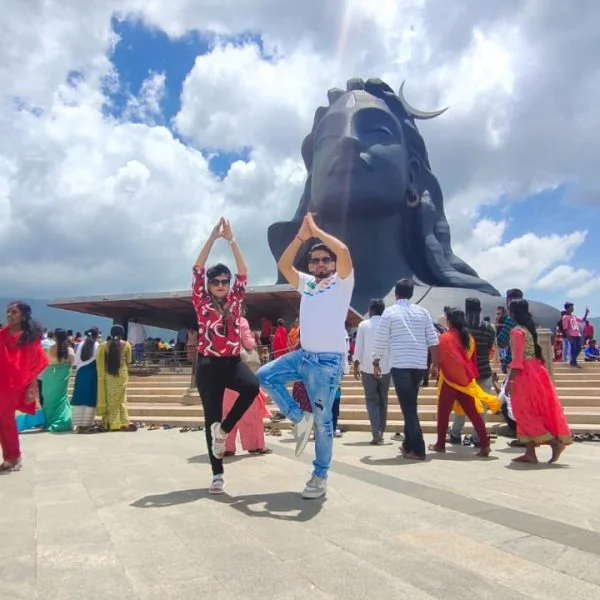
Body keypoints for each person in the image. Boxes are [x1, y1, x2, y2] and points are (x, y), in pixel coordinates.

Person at [257, 213, 354, 499]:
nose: (321, 264)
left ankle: (319, 476)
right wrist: (301, 237)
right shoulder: (308, 284)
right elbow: (283, 265)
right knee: (265, 375)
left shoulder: (343, 282)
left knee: (324, 424)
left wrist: (317, 232)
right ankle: (299, 418)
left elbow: (344, 251)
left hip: (327, 362)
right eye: (315, 261)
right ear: (310, 265)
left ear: (332, 264)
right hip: (303, 355)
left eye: (325, 260)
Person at [192, 217, 260, 494]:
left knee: (252, 387)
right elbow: (197, 268)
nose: (221, 285)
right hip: (208, 365)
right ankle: (217, 474)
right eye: (216, 281)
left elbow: (244, 272)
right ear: (208, 284)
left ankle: (225, 430)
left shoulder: (235, 300)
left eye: (224, 281)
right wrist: (212, 238)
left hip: (232, 363)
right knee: (211, 417)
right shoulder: (201, 301)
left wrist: (231, 240)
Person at [372, 279, 439, 461]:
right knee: (411, 404)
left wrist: (376, 361)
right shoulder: (423, 312)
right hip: (419, 365)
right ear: (411, 293)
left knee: (408, 408)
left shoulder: (390, 312)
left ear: (396, 293)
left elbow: (380, 339)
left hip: (401, 365)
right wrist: (435, 364)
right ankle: (408, 444)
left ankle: (418, 449)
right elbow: (433, 339)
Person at [506, 299, 572, 463]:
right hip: (536, 371)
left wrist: (509, 381)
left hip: (524, 375)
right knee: (530, 411)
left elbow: (517, 359)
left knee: (525, 411)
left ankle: (554, 443)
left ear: (513, 313)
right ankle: (530, 453)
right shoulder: (528, 330)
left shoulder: (517, 331)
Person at [429, 309, 498, 457]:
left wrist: (435, 369)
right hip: (465, 380)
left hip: (449, 381)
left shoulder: (445, 337)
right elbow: (472, 361)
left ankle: (440, 444)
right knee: (473, 413)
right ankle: (484, 444)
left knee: (443, 413)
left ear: (450, 322)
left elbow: (443, 358)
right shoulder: (469, 338)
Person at [0, 302, 48, 472]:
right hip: (1, 381)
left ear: (23, 315)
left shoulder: (29, 337)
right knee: (3, 420)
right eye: (8, 312)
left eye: (14, 312)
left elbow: (37, 362)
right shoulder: (2, 334)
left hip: (16, 384)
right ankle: (10, 456)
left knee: (6, 419)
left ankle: (13, 457)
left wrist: (31, 387)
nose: (9, 315)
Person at [449, 298, 497, 446]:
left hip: (464, 373)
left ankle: (456, 433)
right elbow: (490, 348)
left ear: (466, 310)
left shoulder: (461, 328)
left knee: (461, 404)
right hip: (483, 369)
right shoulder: (489, 328)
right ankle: (478, 437)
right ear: (480, 310)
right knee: (481, 407)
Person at [222, 316, 272, 456]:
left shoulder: (216, 321)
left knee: (226, 414)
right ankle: (255, 445)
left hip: (224, 377)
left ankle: (227, 447)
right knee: (251, 413)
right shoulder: (240, 320)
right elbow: (248, 344)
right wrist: (254, 341)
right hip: (242, 376)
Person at [353, 299, 390, 445]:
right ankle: (381, 430)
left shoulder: (364, 325)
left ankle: (376, 431)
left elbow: (358, 346)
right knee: (383, 399)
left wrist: (356, 364)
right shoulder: (388, 324)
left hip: (367, 368)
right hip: (386, 368)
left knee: (371, 399)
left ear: (371, 310)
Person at [96, 325, 134, 432]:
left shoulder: (104, 345)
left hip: (109, 375)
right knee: (121, 399)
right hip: (121, 375)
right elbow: (128, 361)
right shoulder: (127, 345)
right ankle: (123, 422)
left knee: (110, 399)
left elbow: (101, 362)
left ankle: (111, 422)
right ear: (122, 333)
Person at [40, 328, 74, 432]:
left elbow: (45, 362)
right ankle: (62, 419)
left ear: (55, 337)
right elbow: (72, 363)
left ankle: (48, 420)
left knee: (48, 399)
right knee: (61, 398)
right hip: (62, 378)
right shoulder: (69, 350)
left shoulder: (49, 349)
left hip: (50, 377)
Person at [71, 328, 100, 433]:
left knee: (79, 396)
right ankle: (87, 424)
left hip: (81, 372)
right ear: (96, 335)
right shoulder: (97, 345)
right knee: (90, 397)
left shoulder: (80, 344)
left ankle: (77, 424)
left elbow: (76, 360)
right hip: (92, 372)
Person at [562, 302, 589, 368]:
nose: (573, 309)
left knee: (579, 348)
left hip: (577, 335)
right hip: (571, 335)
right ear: (567, 309)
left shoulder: (574, 316)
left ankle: (572, 360)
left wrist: (586, 313)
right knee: (573, 349)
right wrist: (569, 337)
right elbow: (565, 328)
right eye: (571, 307)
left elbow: (582, 320)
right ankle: (574, 363)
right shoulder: (565, 317)